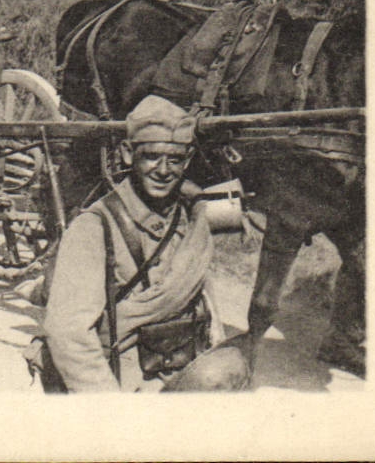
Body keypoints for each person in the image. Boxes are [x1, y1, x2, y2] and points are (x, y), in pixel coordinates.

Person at [35, 95, 251, 393]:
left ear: (187, 161)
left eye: (174, 159)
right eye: (151, 156)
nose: (163, 170)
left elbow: (205, 307)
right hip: (117, 380)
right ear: (127, 153)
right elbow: (68, 333)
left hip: (179, 370)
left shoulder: (192, 217)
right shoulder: (94, 228)